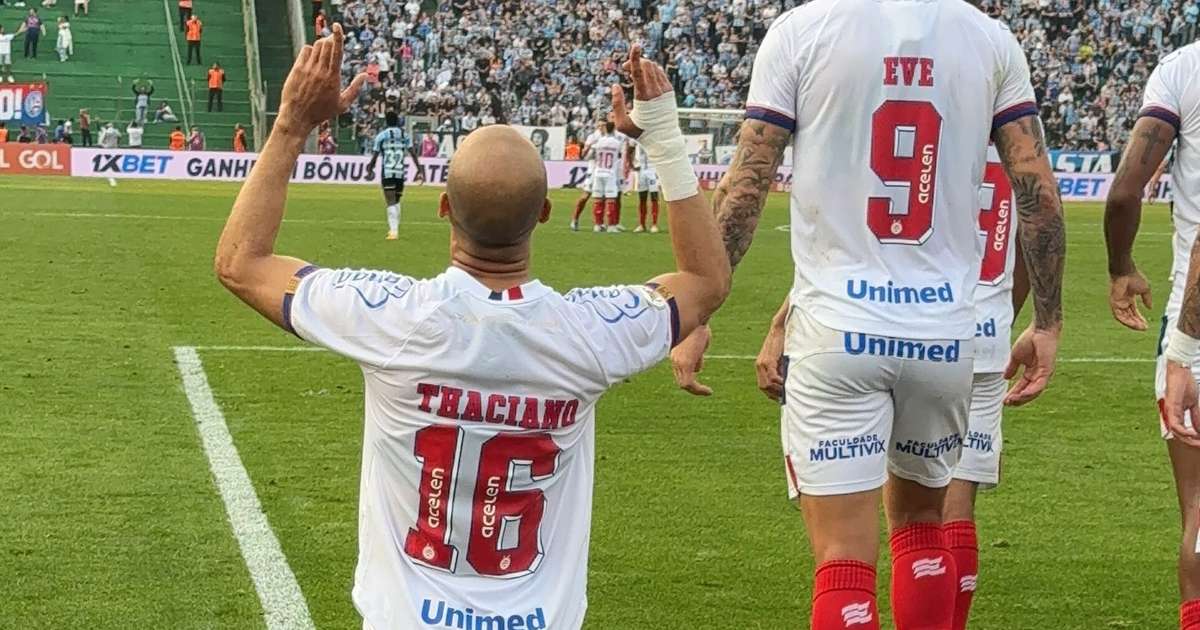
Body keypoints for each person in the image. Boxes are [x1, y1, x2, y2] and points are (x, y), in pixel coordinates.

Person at [213, 26, 729, 630]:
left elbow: (240, 263)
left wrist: (291, 124)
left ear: (442, 208)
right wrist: (664, 133)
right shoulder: (590, 331)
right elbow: (705, 280)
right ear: (542, 213)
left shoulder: (391, 318)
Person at [667, 4, 1066, 627]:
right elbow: (1035, 189)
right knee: (923, 531)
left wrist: (699, 310)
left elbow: (746, 185)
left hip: (836, 330)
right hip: (942, 334)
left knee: (843, 559)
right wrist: (1047, 320)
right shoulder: (990, 38)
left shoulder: (802, 31)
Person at [1106, 41, 1200, 630]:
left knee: (1198, 510)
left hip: (1193, 318)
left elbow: (1122, 192)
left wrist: (1121, 266)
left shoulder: (1182, 69)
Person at [366, 111, 424, 240]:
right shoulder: (404, 135)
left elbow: (375, 155)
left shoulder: (381, 136)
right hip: (400, 172)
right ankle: (395, 228)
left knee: (390, 201)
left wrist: (370, 168)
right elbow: (413, 153)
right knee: (397, 200)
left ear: (386, 121)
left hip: (387, 172)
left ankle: (394, 231)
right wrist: (419, 169)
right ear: (397, 121)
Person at [584, 122, 622, 233]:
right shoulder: (617, 143)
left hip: (598, 172)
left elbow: (591, 154)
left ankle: (597, 225)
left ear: (605, 129)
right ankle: (611, 226)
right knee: (611, 199)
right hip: (610, 173)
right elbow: (619, 156)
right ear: (614, 129)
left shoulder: (599, 142)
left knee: (598, 199)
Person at [569, 120, 604, 231]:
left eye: (602, 125)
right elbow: (584, 156)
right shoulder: (592, 137)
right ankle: (575, 219)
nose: (600, 127)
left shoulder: (609, 137)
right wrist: (590, 147)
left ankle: (599, 223)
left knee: (601, 198)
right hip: (593, 170)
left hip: (604, 170)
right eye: (599, 125)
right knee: (585, 196)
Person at [630, 139, 660, 233]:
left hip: (653, 169)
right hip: (641, 170)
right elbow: (629, 149)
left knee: (654, 197)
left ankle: (654, 224)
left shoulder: (655, 137)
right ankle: (641, 224)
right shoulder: (637, 137)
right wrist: (632, 164)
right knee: (642, 198)